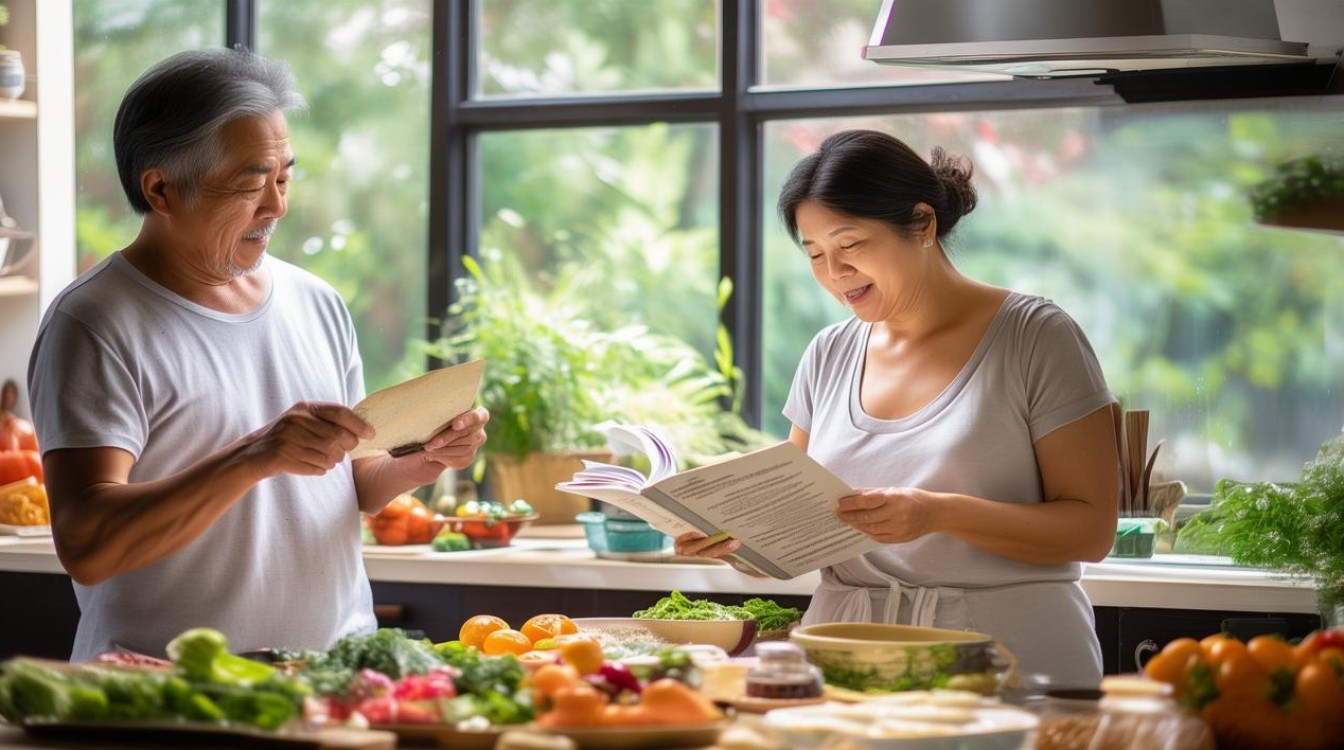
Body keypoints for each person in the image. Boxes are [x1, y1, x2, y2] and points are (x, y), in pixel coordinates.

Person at [26, 48, 488, 661]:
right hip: (168, 689)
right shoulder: (94, 322)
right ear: (161, 189)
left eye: (284, 179)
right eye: (250, 184)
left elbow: (346, 481)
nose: (277, 207)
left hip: (332, 673)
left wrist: (420, 460)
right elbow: (88, 545)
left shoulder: (315, 301)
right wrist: (254, 456)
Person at [676, 129, 1121, 688]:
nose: (834, 273)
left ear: (922, 223)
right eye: (815, 254)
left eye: (851, 244)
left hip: (1005, 658)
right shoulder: (829, 353)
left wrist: (937, 514)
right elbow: (803, 528)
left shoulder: (1036, 337)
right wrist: (738, 542)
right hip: (843, 657)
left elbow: (1091, 530)